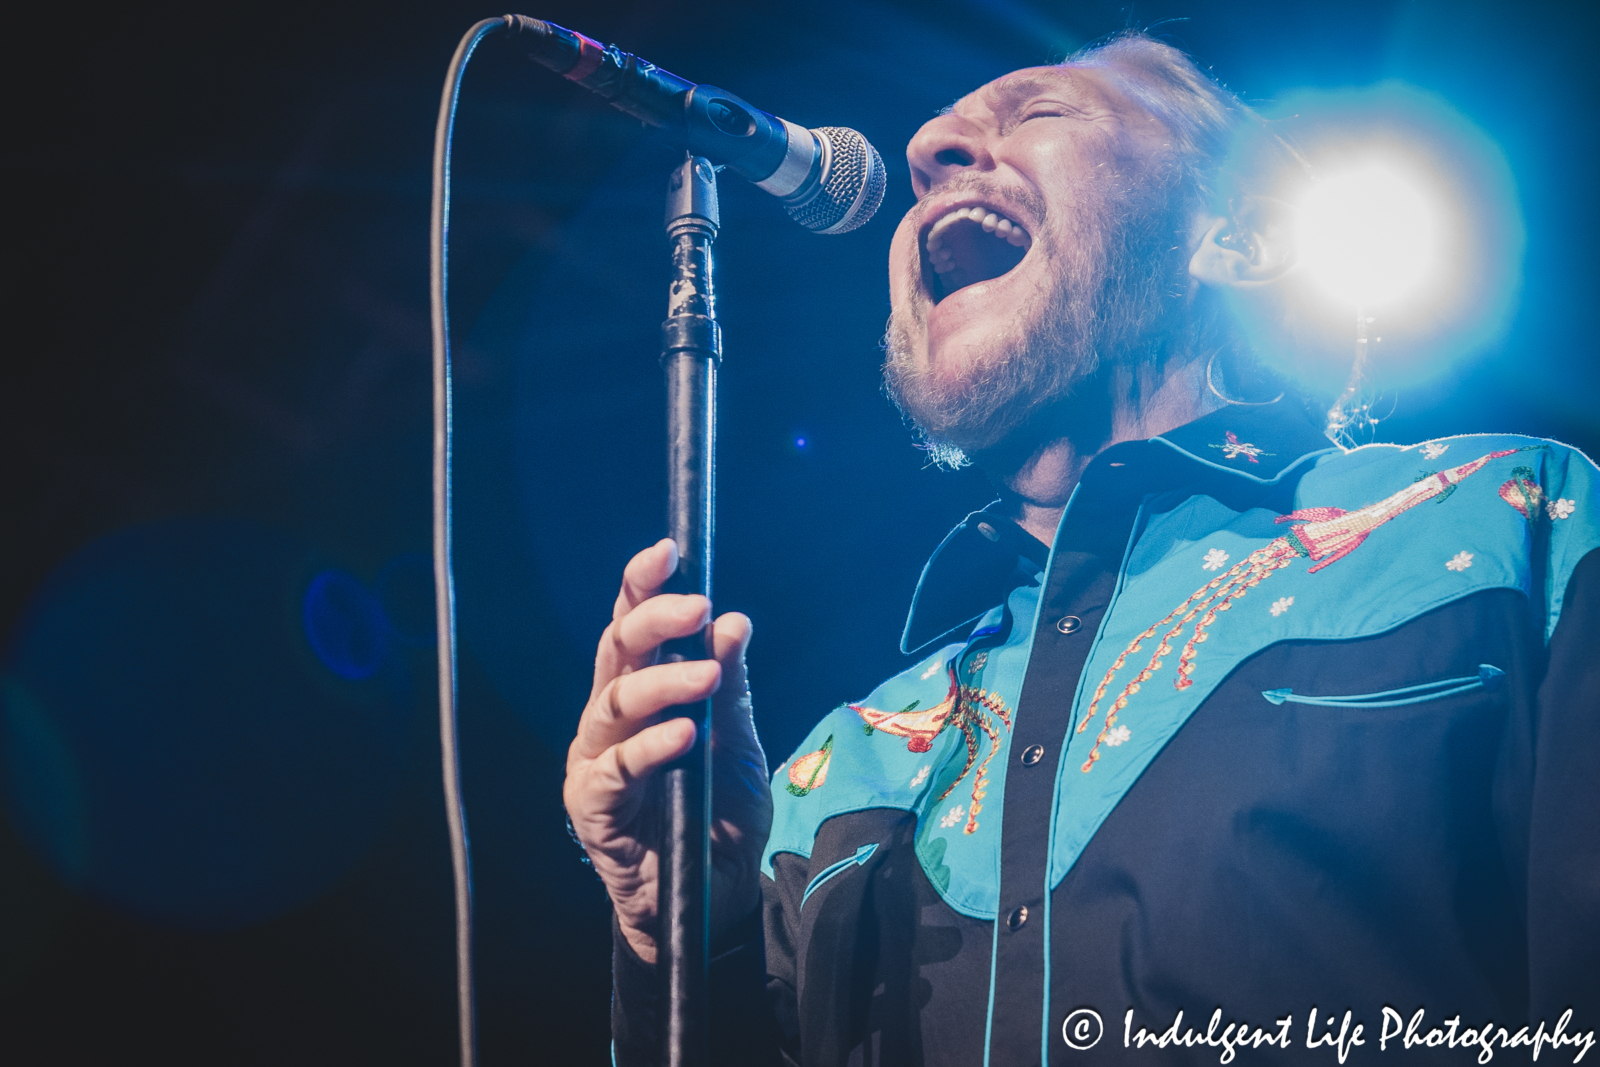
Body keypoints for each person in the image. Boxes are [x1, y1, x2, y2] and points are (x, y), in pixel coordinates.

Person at [563, 32, 1600, 1066]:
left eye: (1039, 113)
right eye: (942, 136)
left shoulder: (1501, 521)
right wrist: (681, 938)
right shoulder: (828, 774)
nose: (929, 147)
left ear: (1237, 239)